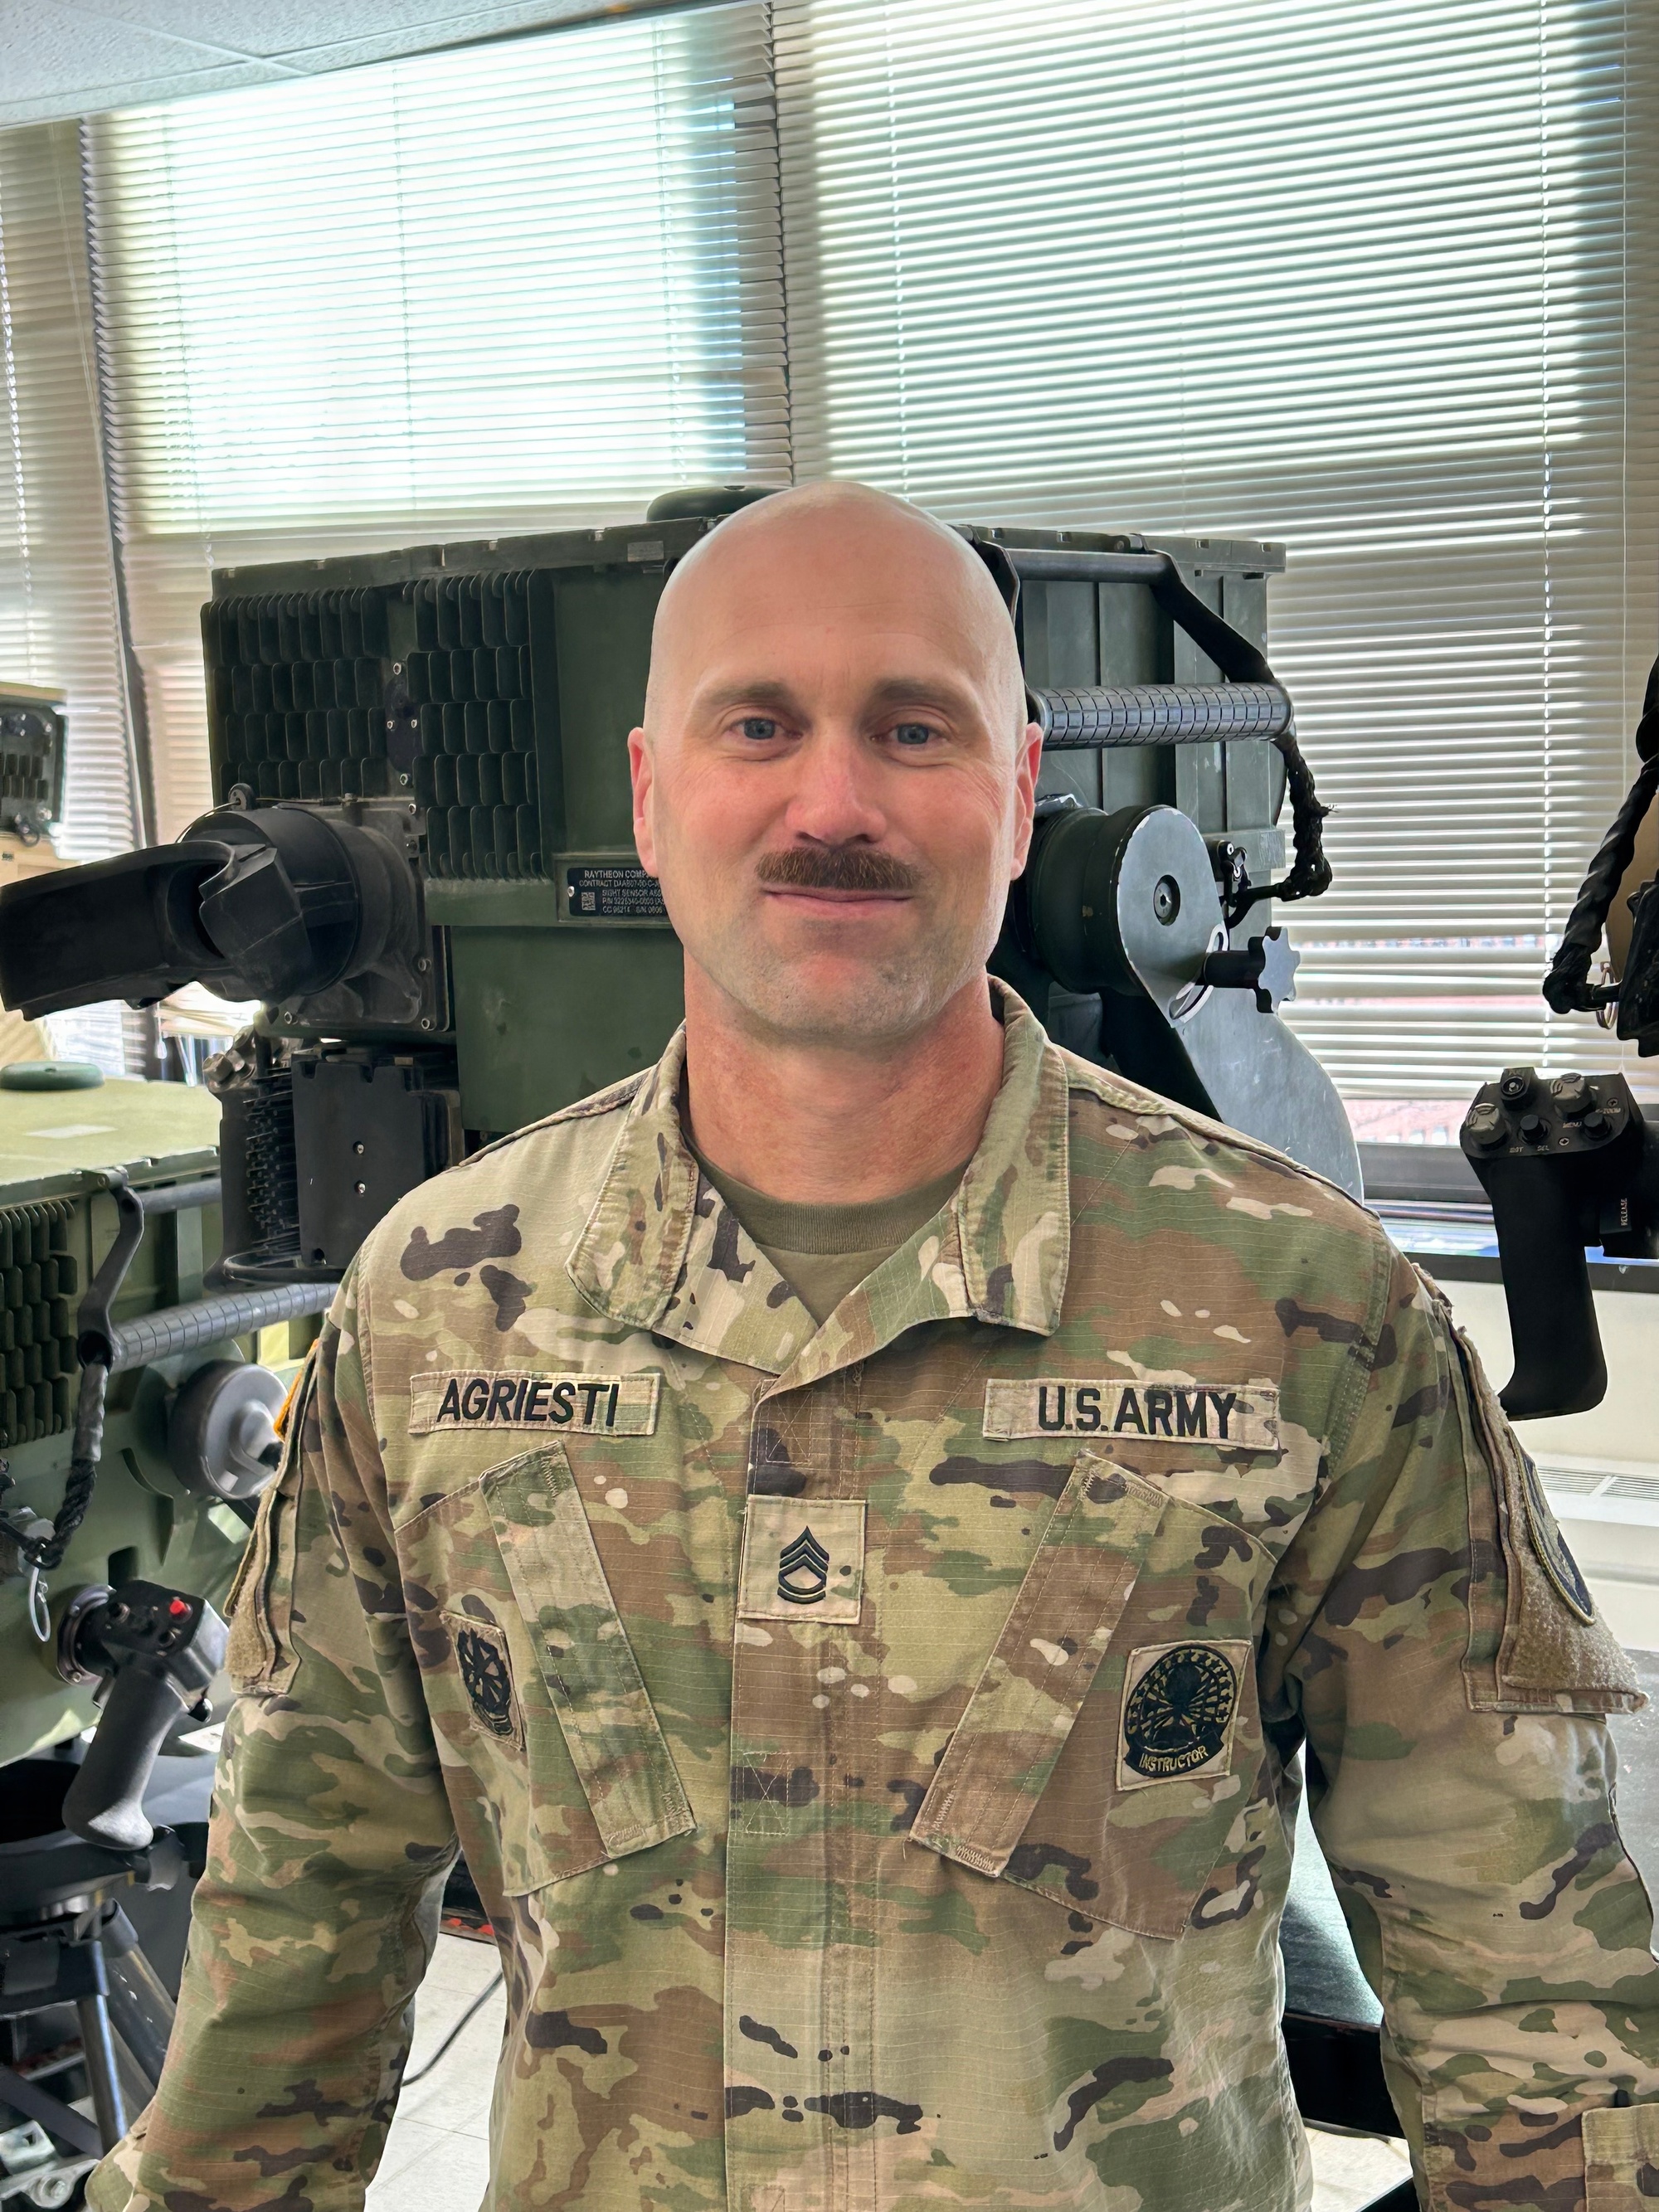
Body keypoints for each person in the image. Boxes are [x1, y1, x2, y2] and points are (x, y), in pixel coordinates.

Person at [90, 482, 1659, 2212]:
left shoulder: (1303, 1306)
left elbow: (1534, 2002)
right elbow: (292, 1939)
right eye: (756, 722)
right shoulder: (437, 1302)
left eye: (912, 727)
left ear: (1014, 785)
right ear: (650, 788)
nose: (830, 801)